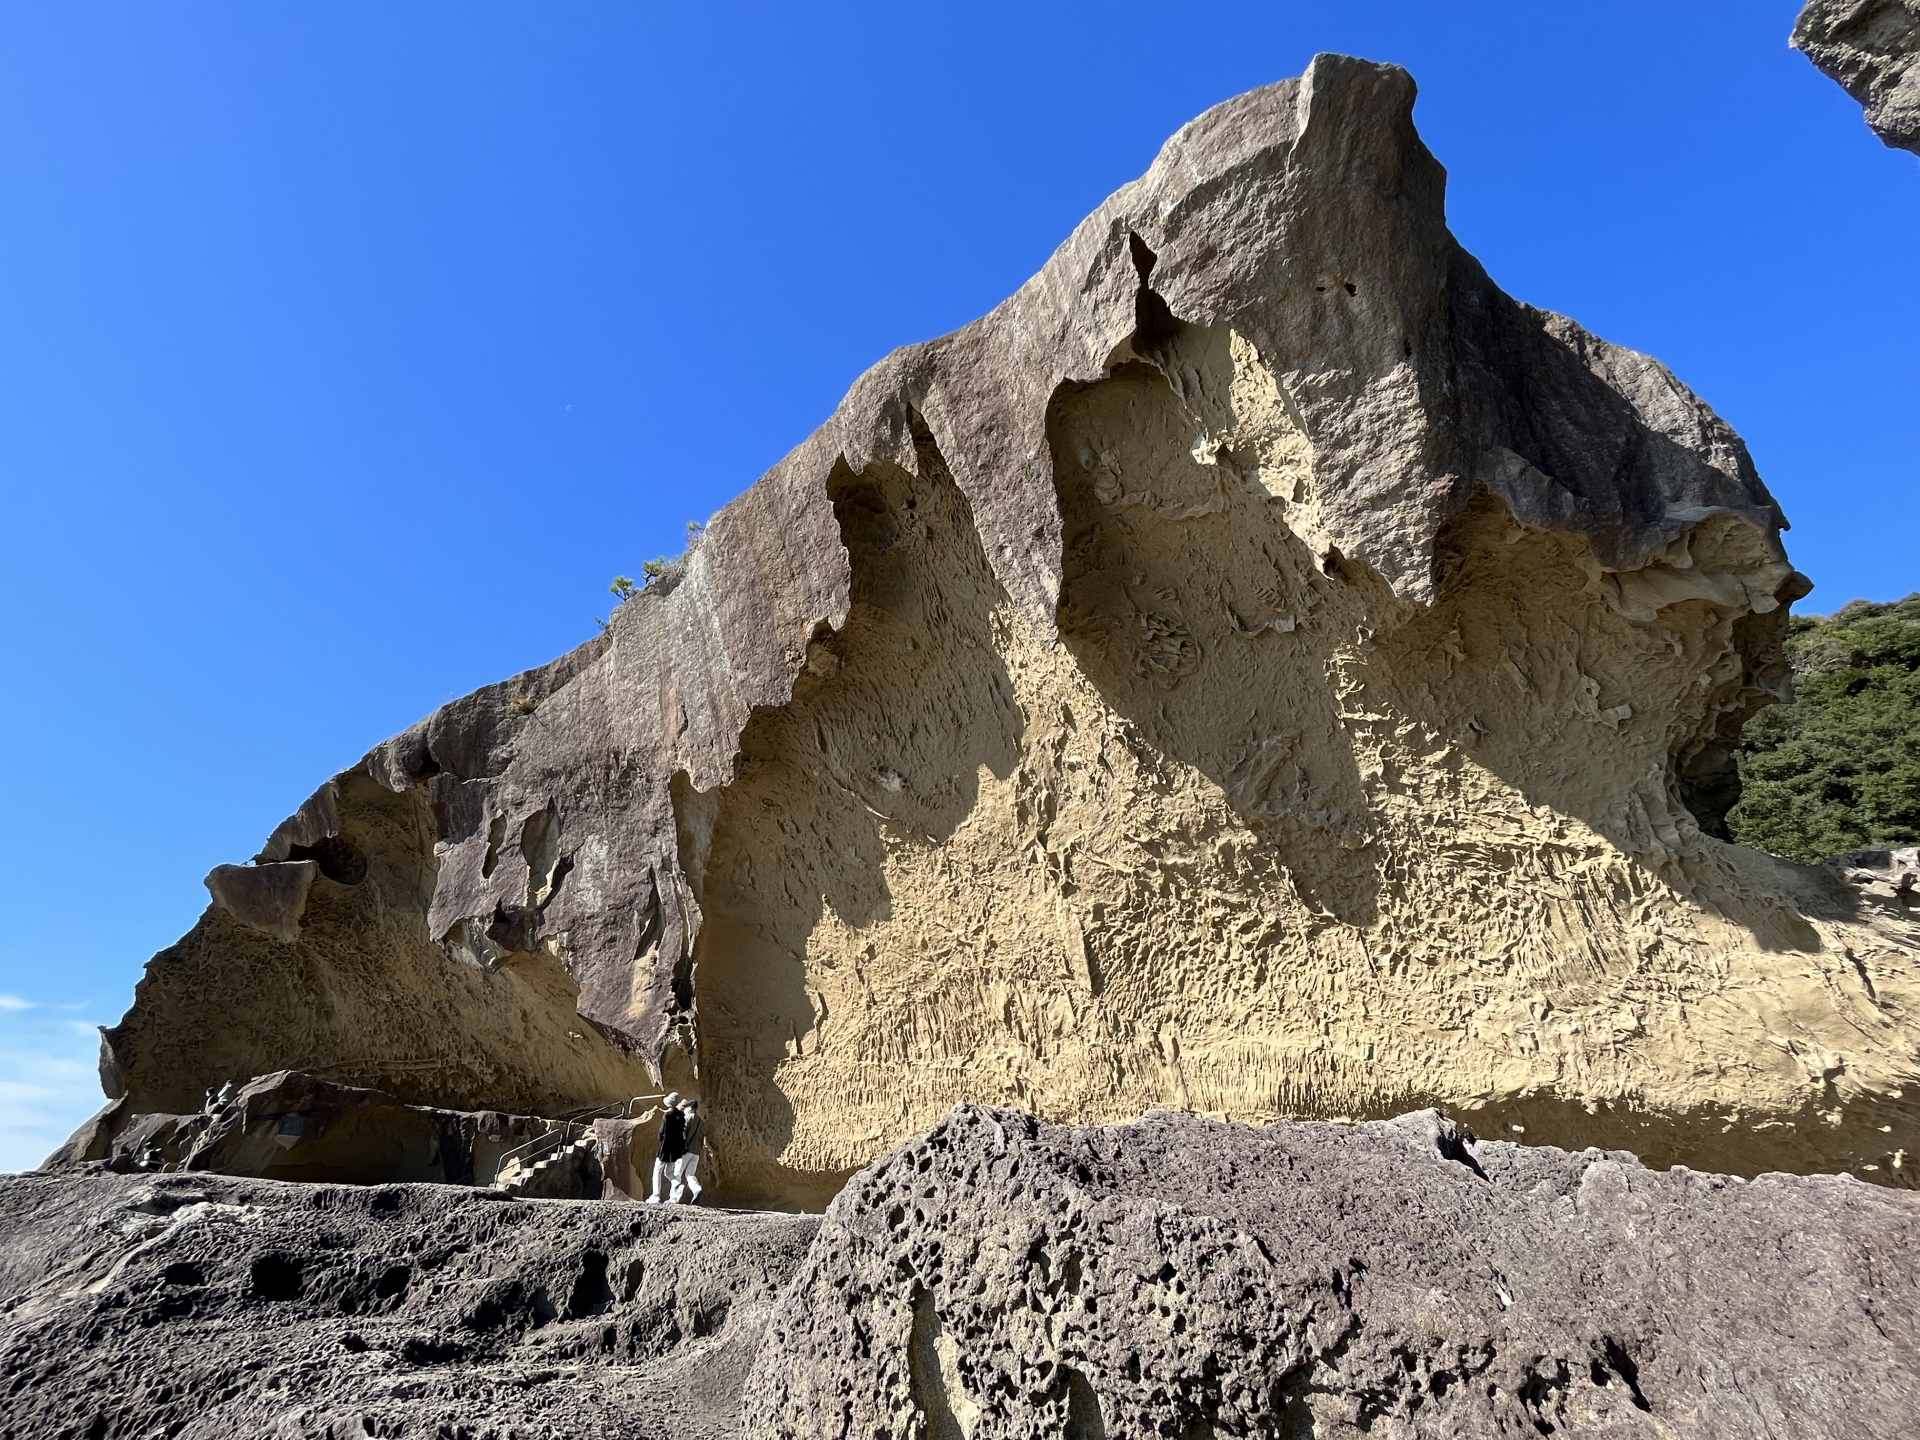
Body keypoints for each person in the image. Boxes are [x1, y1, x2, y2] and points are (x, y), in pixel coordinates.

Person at [646, 1092, 685, 1204]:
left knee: (657, 1171)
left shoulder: (667, 1115)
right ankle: (676, 1187)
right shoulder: (681, 1115)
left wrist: (660, 1137)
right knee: (669, 1172)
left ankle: (656, 1195)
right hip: (676, 1149)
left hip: (665, 1148)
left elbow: (661, 1133)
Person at [670, 1099, 704, 1205]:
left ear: (690, 1108)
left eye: (685, 1108)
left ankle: (673, 1198)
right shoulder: (701, 1122)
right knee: (690, 1174)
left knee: (676, 1174)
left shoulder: (687, 1118)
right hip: (696, 1153)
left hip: (686, 1151)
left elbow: (682, 1135)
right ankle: (697, 1189)